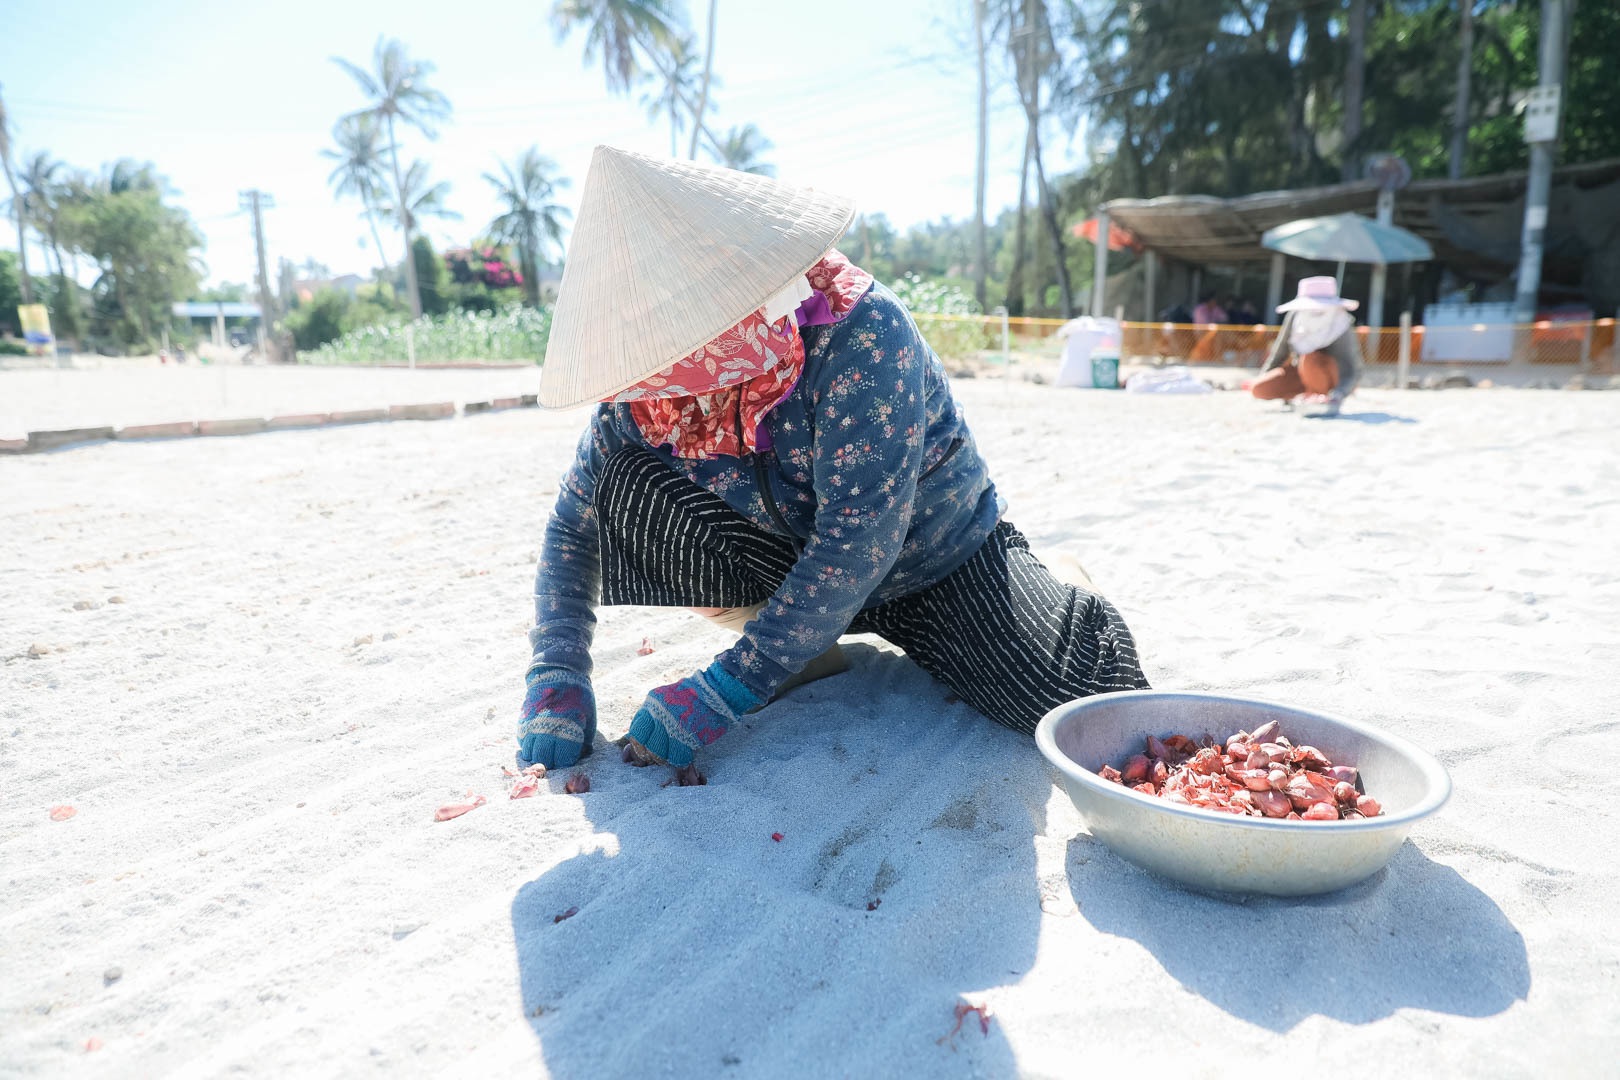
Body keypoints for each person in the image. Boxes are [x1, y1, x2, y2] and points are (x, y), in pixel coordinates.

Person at [516, 146, 1150, 771]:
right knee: (628, 482)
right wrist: (558, 670)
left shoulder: (862, 333)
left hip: (930, 559)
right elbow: (575, 527)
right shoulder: (646, 388)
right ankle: (796, 643)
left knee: (1079, 699)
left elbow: (857, 538)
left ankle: (1048, 582)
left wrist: (729, 687)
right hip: (787, 554)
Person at [1250, 276, 1363, 417]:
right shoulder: (1295, 316)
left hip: (1332, 379)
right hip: (1300, 372)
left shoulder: (1341, 322)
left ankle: (1320, 398)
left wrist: (1339, 393)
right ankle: (1300, 395)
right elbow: (1279, 352)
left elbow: (1351, 368)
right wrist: (1263, 377)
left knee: (1310, 359)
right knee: (1259, 388)